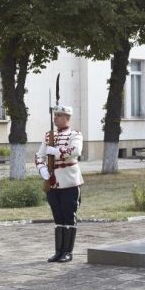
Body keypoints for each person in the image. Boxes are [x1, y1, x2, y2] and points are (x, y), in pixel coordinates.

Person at [35, 104, 83, 263]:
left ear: (67, 118)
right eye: (55, 115)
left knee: (69, 216)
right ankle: (58, 251)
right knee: (58, 217)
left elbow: (75, 151)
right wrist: (42, 169)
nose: (55, 118)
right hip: (52, 182)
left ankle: (67, 252)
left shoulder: (75, 134)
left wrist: (57, 152)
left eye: (59, 115)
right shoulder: (49, 136)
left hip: (69, 182)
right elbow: (39, 155)